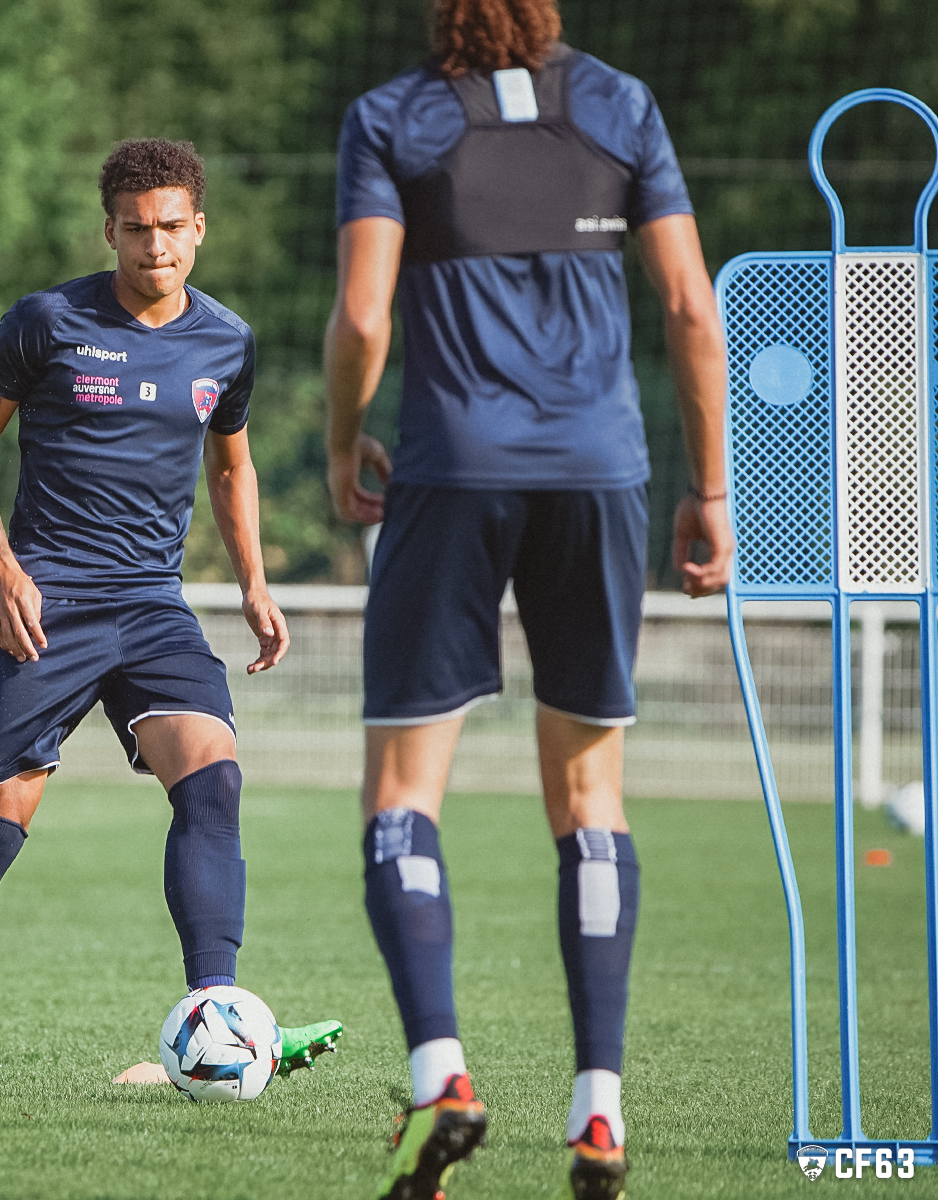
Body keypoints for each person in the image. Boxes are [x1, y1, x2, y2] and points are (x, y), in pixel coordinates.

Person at [323, 2, 733, 1197]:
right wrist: (710, 489)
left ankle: (440, 1079)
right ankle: (599, 1109)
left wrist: (343, 438)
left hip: (450, 469)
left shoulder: (389, 117)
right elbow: (690, 308)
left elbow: (362, 315)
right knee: (591, 797)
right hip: (599, 473)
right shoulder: (620, 103)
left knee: (402, 795)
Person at [0, 138, 342, 1101]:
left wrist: (255, 585)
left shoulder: (228, 340)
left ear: (199, 229)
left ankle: (221, 1016)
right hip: (45, 605)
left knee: (213, 782)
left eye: (171, 227)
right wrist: (1, 567)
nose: (154, 246)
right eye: (136, 230)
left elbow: (231, 465)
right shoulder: (48, 321)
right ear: (110, 232)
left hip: (153, 605)